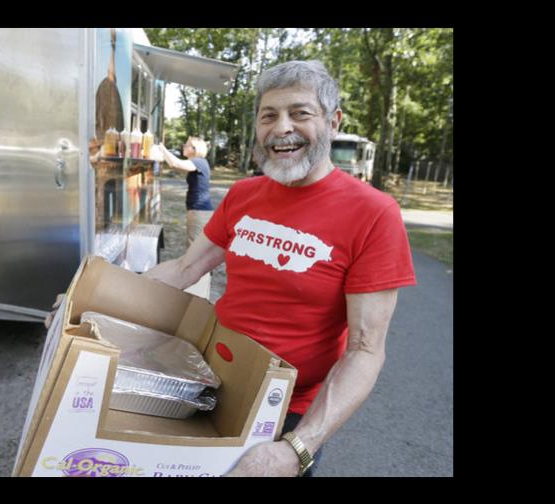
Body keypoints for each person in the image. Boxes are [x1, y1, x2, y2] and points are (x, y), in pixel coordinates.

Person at [143, 60, 417, 477]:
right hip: (210, 384)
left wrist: (296, 449)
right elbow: (184, 268)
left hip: (286, 412)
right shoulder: (243, 194)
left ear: (333, 120)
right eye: (268, 115)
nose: (281, 127)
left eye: (300, 113)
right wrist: (89, 297)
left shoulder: (374, 213)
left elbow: (365, 350)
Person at [156, 137, 215, 298]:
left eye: (186, 145)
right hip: (199, 211)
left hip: (199, 212)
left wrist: (162, 148)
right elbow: (173, 162)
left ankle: (197, 293)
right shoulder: (198, 162)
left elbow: (175, 164)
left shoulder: (199, 162)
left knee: (196, 252)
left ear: (194, 148)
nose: (183, 146)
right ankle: (198, 288)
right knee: (197, 250)